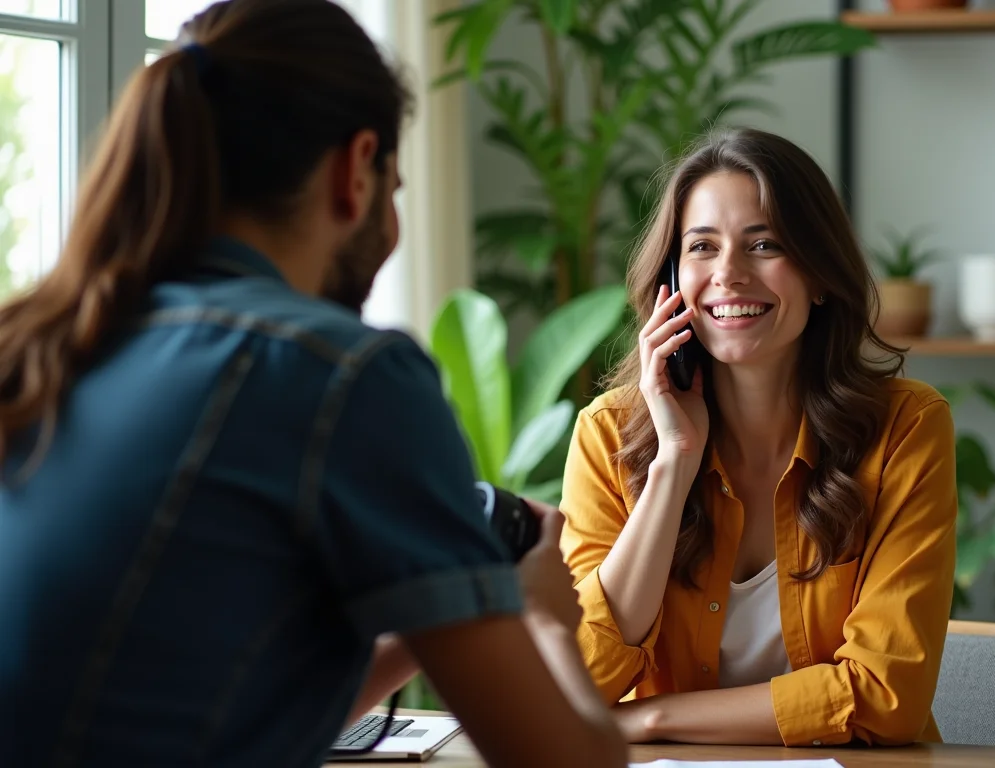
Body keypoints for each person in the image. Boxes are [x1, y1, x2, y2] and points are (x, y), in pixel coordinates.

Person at [0, 2, 625, 767]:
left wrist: (445, 605)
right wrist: (546, 619)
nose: (393, 230)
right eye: (395, 188)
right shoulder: (343, 373)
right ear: (355, 169)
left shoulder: (44, 344)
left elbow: (216, 707)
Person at [559, 127, 958, 748]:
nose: (728, 274)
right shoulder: (606, 434)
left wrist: (655, 718)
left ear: (820, 273)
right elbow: (576, 682)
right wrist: (673, 464)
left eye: (764, 244)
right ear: (670, 280)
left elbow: (887, 697)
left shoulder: (905, 429)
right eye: (701, 248)